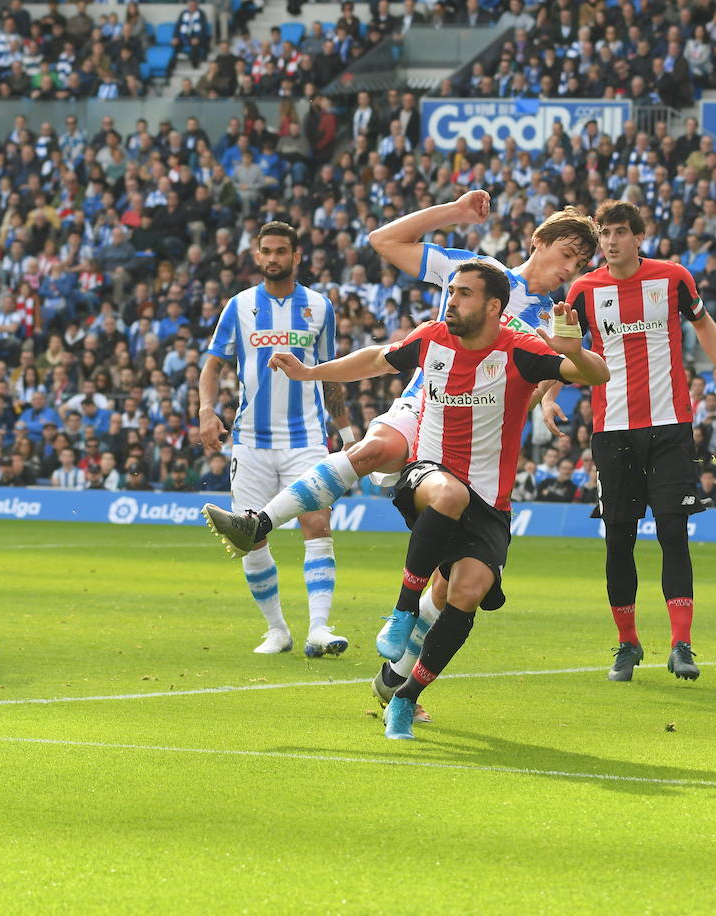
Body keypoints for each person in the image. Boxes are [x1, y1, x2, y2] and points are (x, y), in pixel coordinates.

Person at [200, 192, 595, 683]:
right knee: (376, 448)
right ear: (538, 241)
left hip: (481, 443)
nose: (569, 269)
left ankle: (396, 681)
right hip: (426, 402)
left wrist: (546, 397)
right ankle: (258, 522)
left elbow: (556, 373)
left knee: (449, 586)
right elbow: (383, 240)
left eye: (580, 264)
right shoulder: (476, 272)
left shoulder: (554, 319)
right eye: (566, 255)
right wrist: (454, 211)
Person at [267, 260, 609, 739]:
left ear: (493, 306)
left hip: (489, 503)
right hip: (427, 477)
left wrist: (572, 349)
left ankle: (404, 696)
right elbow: (376, 359)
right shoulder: (432, 337)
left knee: (465, 594)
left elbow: (596, 374)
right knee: (449, 493)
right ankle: (403, 611)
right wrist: (309, 373)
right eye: (452, 291)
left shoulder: (520, 348)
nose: (452, 301)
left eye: (465, 294)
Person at [553, 200, 716, 683]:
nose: (611, 241)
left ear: (639, 237)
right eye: (605, 233)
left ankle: (681, 645)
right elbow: (565, 347)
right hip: (612, 429)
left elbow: (702, 321)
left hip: (669, 426)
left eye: (621, 232)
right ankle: (627, 643)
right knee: (618, 540)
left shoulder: (673, 277)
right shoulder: (583, 290)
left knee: (672, 532)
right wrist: (549, 395)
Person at [195, 221, 351, 658]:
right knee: (249, 536)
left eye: (282, 251)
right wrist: (206, 411)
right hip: (251, 442)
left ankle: (319, 629)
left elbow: (331, 375)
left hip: (306, 439)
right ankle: (277, 630)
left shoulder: (319, 306)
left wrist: (347, 434)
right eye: (267, 251)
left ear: (296, 256)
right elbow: (212, 366)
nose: (274, 258)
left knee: (317, 524)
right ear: (257, 255)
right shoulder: (239, 306)